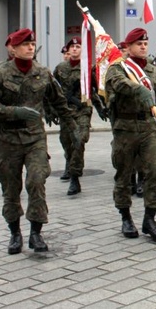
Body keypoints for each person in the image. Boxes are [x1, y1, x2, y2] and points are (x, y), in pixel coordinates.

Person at [0, 28, 77, 254]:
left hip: (35, 138)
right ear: (13, 49)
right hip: (8, 140)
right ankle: (15, 233)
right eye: (25, 44)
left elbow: (59, 101)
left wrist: (72, 126)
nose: (30, 47)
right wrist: (16, 112)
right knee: (11, 188)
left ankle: (36, 232)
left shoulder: (42, 72)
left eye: (32, 44)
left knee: (36, 181)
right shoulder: (0, 73)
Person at [105, 28, 156, 242]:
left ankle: (150, 218)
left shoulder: (153, 71)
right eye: (138, 44)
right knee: (124, 174)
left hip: (147, 126)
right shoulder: (118, 68)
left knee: (153, 170)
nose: (143, 47)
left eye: (146, 43)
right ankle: (125, 217)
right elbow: (118, 84)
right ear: (129, 47)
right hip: (125, 127)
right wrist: (137, 89)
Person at [52, 36, 97, 196]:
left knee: (79, 140)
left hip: (82, 110)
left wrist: (101, 106)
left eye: (78, 47)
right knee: (67, 143)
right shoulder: (60, 68)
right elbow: (52, 91)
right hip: (66, 112)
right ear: (68, 50)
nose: (75, 49)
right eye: (72, 47)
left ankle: (75, 178)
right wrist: (51, 110)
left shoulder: (87, 68)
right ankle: (69, 163)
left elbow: (95, 90)